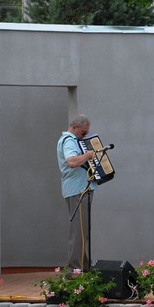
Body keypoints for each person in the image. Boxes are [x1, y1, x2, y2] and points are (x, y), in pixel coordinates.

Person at [56, 114, 96, 271]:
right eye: (83, 132)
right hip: (78, 190)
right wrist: (88, 155)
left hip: (82, 189)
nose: (84, 136)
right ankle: (75, 269)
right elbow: (72, 161)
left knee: (83, 231)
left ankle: (84, 267)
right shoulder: (69, 141)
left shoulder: (74, 140)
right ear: (74, 127)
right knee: (79, 232)